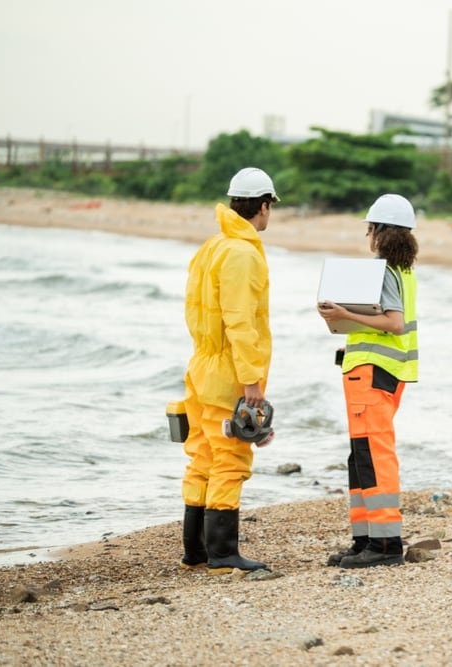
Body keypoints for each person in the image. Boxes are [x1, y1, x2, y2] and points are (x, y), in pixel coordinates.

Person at [179, 167, 277, 574]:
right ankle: (222, 553)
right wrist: (251, 380)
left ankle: (195, 552)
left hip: (201, 367)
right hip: (226, 374)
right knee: (230, 459)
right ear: (264, 205)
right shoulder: (241, 253)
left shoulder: (213, 245)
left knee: (201, 455)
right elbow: (239, 321)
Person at [317, 193, 419, 568]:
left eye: (369, 229)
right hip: (378, 373)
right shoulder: (402, 271)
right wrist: (341, 321)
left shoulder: (385, 272)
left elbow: (393, 323)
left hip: (374, 376)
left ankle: (386, 545)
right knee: (361, 459)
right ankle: (365, 540)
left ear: (377, 231)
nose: (368, 236)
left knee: (374, 456)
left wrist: (344, 313)